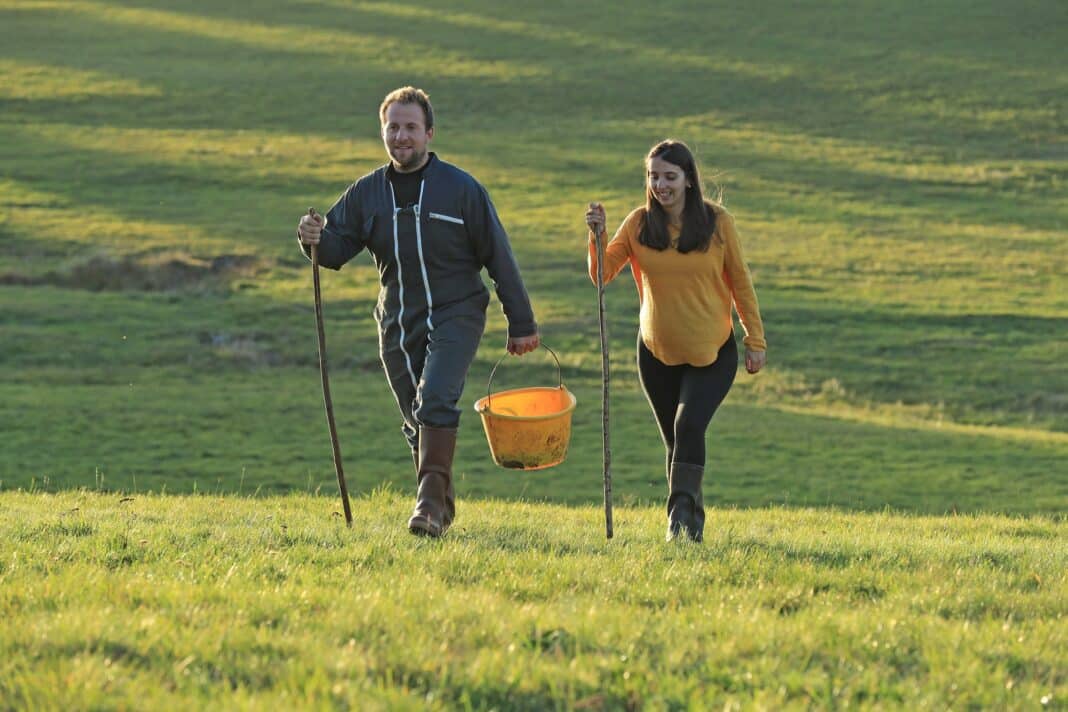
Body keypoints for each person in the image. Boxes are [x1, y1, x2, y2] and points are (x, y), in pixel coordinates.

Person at [297, 86, 539, 538]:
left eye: (411, 127)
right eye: (393, 127)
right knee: (416, 418)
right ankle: (440, 512)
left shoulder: (462, 190)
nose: (401, 136)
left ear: (429, 132)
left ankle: (426, 506)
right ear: (383, 132)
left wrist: (521, 323)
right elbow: (332, 251)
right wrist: (310, 235)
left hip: (457, 313)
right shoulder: (367, 193)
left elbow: (499, 256)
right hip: (396, 320)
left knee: (435, 401)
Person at [585, 139, 766, 542]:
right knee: (676, 440)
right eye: (653, 176)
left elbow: (740, 282)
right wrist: (596, 237)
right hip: (655, 353)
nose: (660, 185)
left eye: (670, 176)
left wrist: (756, 339)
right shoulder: (638, 224)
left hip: (712, 352)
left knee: (687, 428)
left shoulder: (718, 223)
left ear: (688, 180)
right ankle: (688, 522)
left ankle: (679, 522)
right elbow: (602, 274)